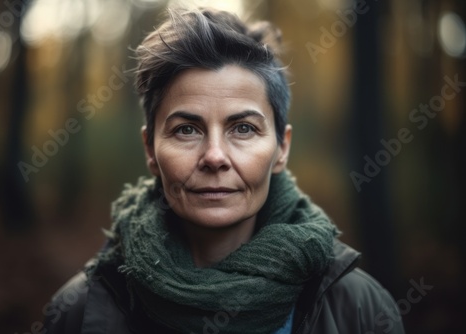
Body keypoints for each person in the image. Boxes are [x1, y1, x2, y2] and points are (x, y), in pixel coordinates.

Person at [44, 7, 405, 334]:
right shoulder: (76, 312)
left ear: (282, 148)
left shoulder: (362, 312)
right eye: (187, 129)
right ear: (150, 150)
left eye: (243, 128)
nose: (214, 156)